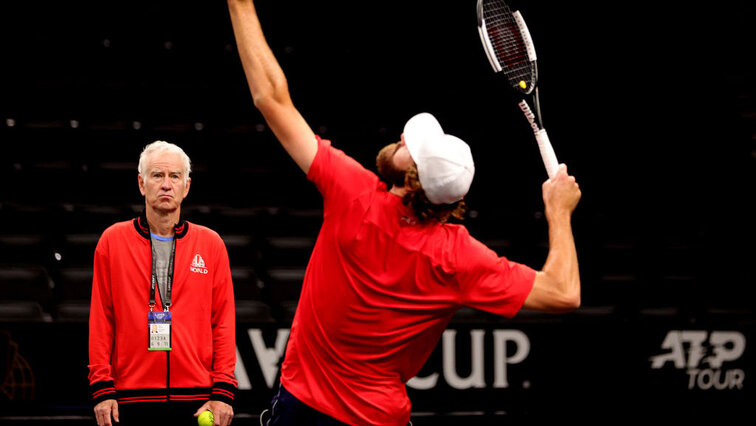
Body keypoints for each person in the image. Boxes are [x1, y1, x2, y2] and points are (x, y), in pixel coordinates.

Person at [227, 1, 581, 425]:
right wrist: (558, 212)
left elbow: (271, 98)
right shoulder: (459, 257)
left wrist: (240, 4)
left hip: (303, 410)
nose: (400, 138)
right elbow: (563, 292)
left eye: (408, 145)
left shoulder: (354, 194)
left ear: (411, 178)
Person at [88, 141, 237, 426]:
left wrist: (223, 392)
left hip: (198, 400)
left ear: (186, 186)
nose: (166, 184)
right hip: (128, 400)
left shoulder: (211, 244)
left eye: (175, 176)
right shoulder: (112, 241)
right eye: (157, 175)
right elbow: (101, 320)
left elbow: (224, 323)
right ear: (142, 184)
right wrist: (102, 387)